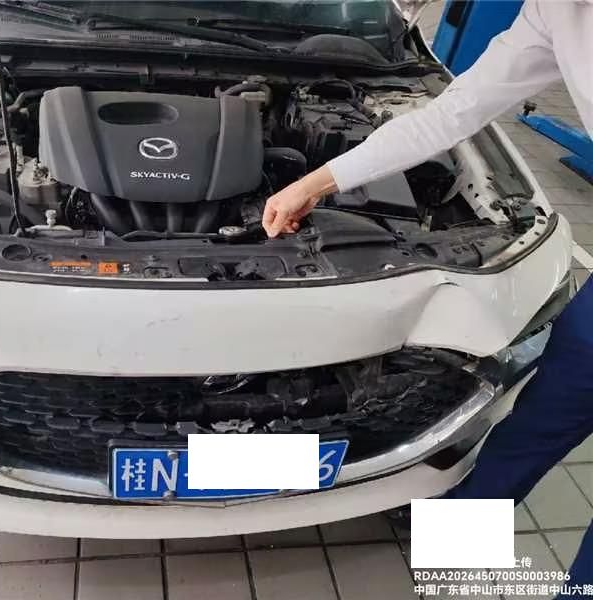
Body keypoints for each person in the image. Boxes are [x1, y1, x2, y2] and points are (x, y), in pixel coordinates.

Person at [262, 0, 593, 592]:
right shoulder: (554, 10)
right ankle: (455, 542)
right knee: (543, 418)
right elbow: (454, 112)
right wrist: (317, 182)